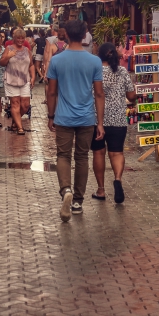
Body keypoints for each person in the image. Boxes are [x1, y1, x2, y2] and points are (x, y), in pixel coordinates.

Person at [46, 20, 105, 222]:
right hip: (87, 117)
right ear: (85, 34)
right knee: (82, 158)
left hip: (63, 116)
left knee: (63, 155)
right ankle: (78, 201)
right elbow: (98, 94)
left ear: (66, 35)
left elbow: (51, 91)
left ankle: (66, 189)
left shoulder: (56, 60)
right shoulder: (95, 61)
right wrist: (100, 122)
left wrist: (50, 116)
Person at [91, 43, 136, 204]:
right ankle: (117, 179)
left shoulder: (95, 72)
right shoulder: (122, 72)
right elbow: (131, 96)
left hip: (97, 119)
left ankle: (101, 190)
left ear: (100, 55)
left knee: (98, 153)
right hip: (118, 119)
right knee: (116, 153)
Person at [0, 28, 35, 135]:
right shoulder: (9, 48)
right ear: (14, 39)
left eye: (22, 38)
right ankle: (20, 128)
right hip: (11, 80)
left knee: (25, 105)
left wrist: (33, 77)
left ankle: (15, 121)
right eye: (18, 38)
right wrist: (8, 56)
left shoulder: (27, 50)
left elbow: (31, 65)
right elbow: (1, 63)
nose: (20, 40)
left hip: (24, 80)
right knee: (15, 104)